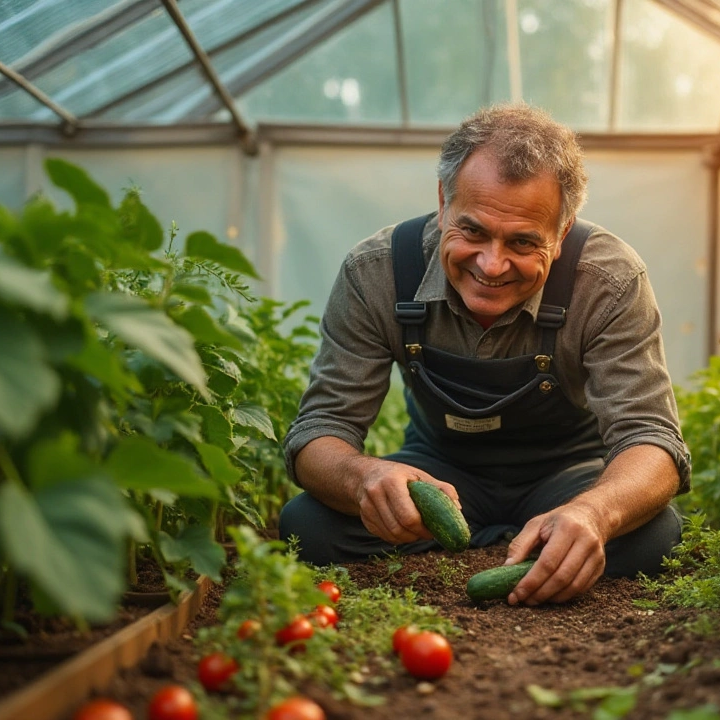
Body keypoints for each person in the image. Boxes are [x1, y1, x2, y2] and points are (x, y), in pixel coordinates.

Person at [279, 103, 690, 606]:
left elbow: (651, 439)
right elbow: (319, 431)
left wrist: (592, 514)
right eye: (472, 231)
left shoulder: (609, 281)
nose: (492, 265)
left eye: (522, 242)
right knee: (307, 526)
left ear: (562, 232)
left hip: (565, 475)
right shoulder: (376, 272)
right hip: (440, 471)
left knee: (653, 537)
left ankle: (551, 535)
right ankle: (530, 554)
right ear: (444, 201)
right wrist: (366, 477)